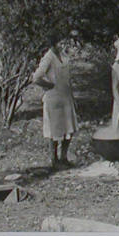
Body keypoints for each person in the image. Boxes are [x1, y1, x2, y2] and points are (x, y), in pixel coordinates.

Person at [32, 31, 78, 169]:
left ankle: (64, 158)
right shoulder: (49, 57)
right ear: (53, 43)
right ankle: (54, 160)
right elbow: (36, 78)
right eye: (60, 42)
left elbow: (67, 78)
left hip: (66, 96)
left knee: (68, 128)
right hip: (54, 98)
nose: (63, 44)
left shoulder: (63, 55)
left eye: (64, 42)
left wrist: (73, 96)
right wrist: (49, 85)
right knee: (55, 129)